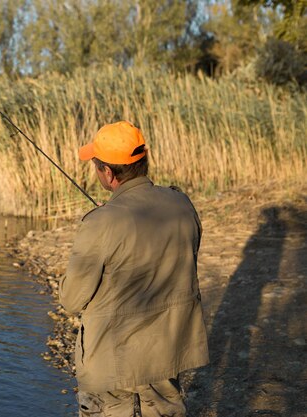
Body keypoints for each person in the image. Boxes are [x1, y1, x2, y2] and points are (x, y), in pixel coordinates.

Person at [59, 121, 209, 417]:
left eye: (96, 165)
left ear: (109, 173)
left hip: (111, 360)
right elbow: (188, 251)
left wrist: (104, 221)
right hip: (166, 351)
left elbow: (70, 300)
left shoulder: (100, 222)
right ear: (143, 161)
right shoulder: (181, 203)